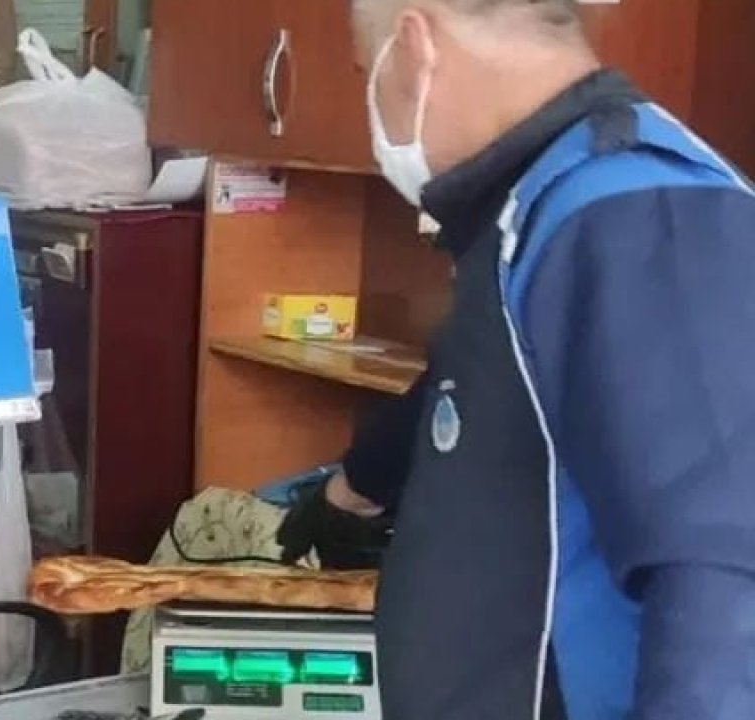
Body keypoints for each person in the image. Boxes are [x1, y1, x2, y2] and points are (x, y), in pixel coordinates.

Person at [317, 1, 755, 718]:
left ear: (416, 46)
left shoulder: (638, 209)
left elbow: (728, 580)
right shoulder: (540, 210)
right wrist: (354, 483)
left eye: (370, 72)